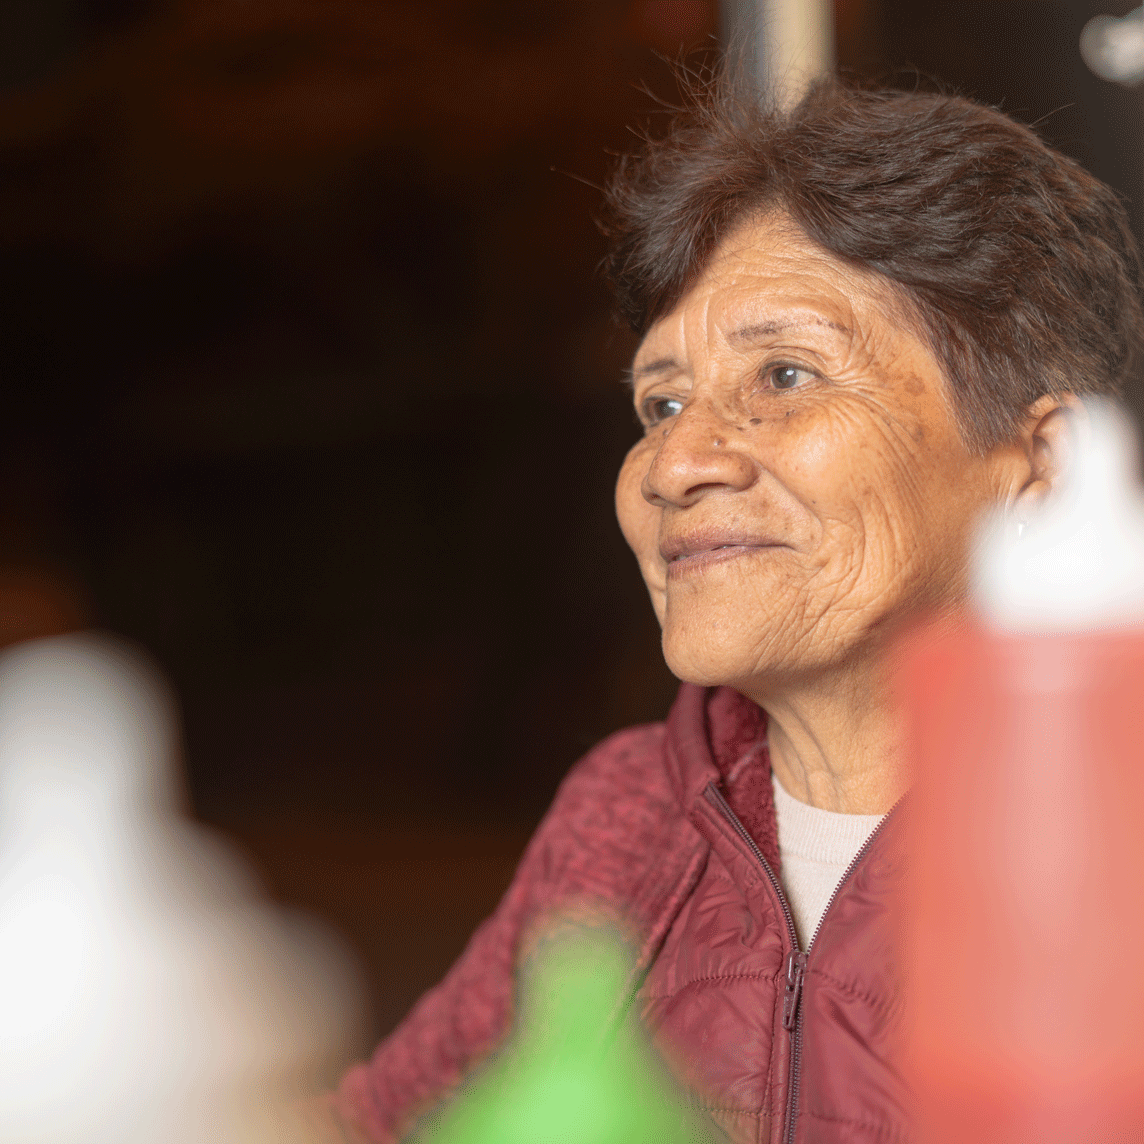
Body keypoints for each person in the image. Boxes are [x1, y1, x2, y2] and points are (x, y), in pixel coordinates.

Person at [316, 76, 1144, 1143]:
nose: (675, 463)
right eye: (659, 402)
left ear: (1043, 464)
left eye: (785, 375)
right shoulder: (622, 816)